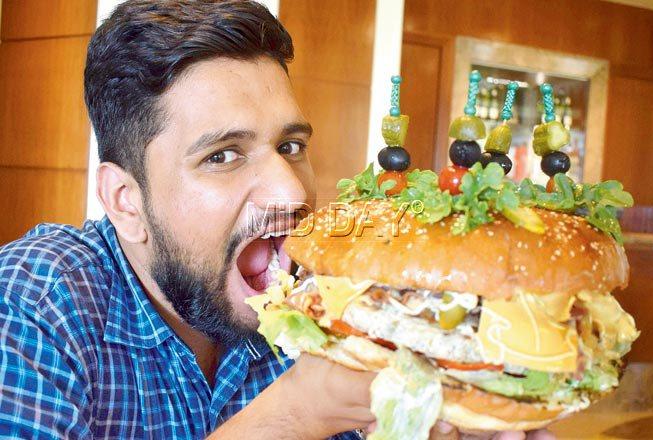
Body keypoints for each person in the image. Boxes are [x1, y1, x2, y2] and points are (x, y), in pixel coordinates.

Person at [0, 1, 552, 439]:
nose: (291, 190)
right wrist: (297, 416)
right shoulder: (36, 301)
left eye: (290, 146)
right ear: (125, 201)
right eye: (222, 155)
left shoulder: (336, 309)